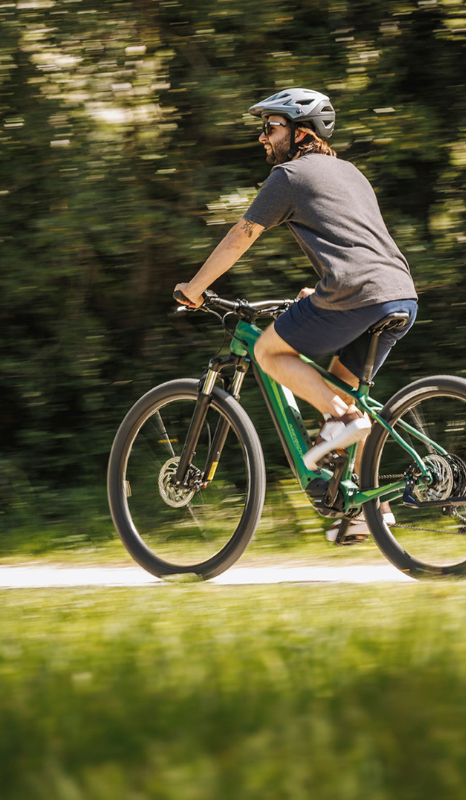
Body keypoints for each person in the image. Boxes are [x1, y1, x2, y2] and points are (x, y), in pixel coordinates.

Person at [174, 88, 418, 539]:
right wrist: (320, 290)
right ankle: (369, 511)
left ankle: (345, 421)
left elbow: (241, 235)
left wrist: (195, 287)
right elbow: (355, 243)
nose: (262, 137)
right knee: (342, 392)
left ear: (301, 133)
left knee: (268, 351)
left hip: (353, 293)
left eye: (270, 127)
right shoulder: (351, 173)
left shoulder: (288, 176)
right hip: (399, 293)